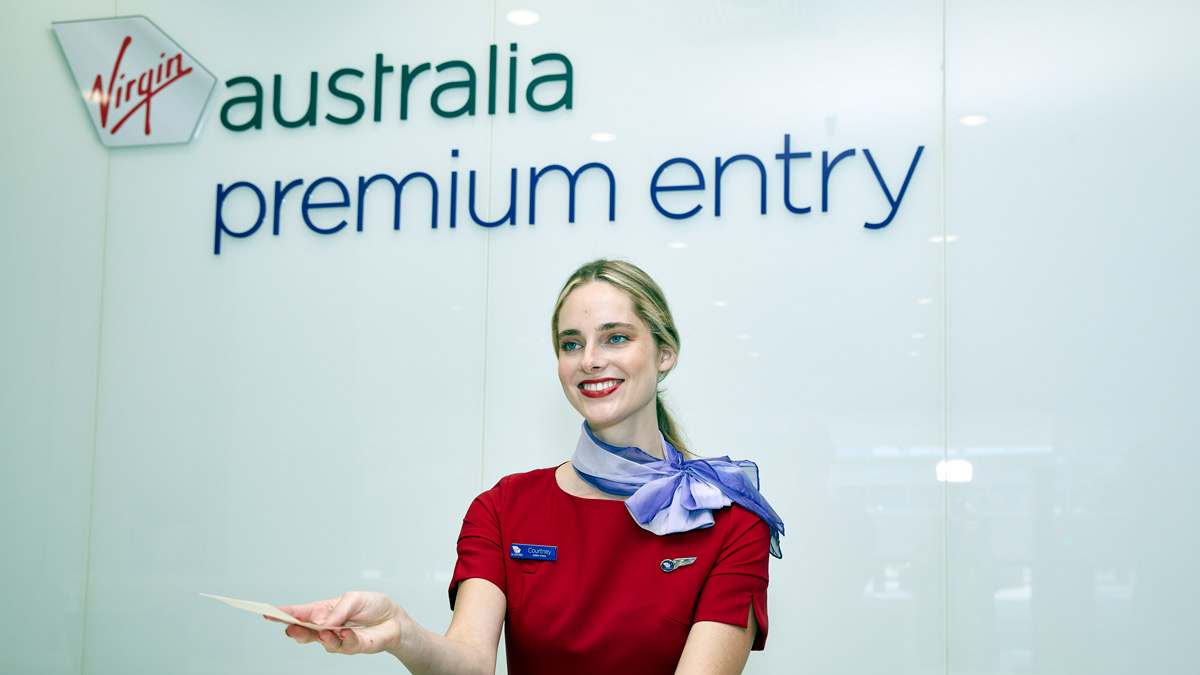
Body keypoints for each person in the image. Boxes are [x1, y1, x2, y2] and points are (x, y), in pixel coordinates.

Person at [272, 259, 784, 674]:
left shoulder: (733, 521)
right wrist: (402, 632)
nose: (589, 360)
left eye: (616, 337)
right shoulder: (504, 508)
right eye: (571, 344)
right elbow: (471, 663)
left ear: (665, 353)